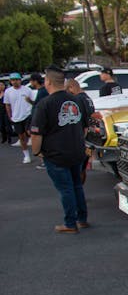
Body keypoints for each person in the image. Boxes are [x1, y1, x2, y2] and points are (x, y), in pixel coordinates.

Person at [30, 65, 90, 233]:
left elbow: (36, 134)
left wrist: (37, 152)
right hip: (77, 151)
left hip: (56, 155)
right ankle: (82, 219)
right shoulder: (77, 99)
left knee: (66, 189)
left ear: (48, 81)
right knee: (77, 185)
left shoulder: (45, 104)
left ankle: (70, 223)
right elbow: (85, 127)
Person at [65, 78, 96, 183]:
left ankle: (78, 191)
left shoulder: (77, 100)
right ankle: (80, 191)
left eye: (67, 90)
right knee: (82, 168)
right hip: (91, 138)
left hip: (82, 138)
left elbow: (78, 119)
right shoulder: (87, 98)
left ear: (71, 88)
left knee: (78, 168)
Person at [3, 72, 35, 162]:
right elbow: (7, 105)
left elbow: (34, 103)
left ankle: (37, 152)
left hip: (28, 115)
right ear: (10, 81)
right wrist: (10, 116)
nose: (15, 82)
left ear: (20, 80)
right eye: (13, 80)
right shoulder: (8, 91)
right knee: (21, 137)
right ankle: (26, 156)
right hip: (16, 117)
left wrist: (30, 101)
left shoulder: (27, 90)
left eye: (17, 80)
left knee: (31, 133)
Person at [29, 73, 49, 169]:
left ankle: (45, 161)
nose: (30, 83)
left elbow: (39, 106)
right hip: (39, 120)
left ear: (35, 81)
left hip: (40, 122)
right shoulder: (41, 91)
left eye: (31, 80)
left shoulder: (42, 92)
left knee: (42, 142)